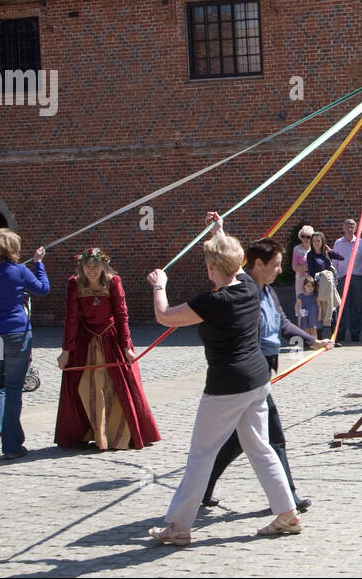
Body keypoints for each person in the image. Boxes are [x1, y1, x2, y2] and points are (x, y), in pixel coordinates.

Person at [146, 217, 302, 544]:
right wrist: (219, 232)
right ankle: (287, 514)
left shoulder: (212, 302)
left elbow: (164, 316)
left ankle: (178, 527)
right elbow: (234, 262)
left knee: (201, 456)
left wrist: (159, 284)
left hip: (226, 387)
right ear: (236, 262)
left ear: (210, 268)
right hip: (257, 380)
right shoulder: (247, 286)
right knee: (260, 448)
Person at [202, 231, 331, 511]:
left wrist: (312, 340)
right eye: (276, 264)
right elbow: (225, 259)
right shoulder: (243, 289)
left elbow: (282, 323)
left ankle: (202, 488)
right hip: (249, 371)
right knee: (274, 436)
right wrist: (218, 233)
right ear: (257, 264)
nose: (280, 270)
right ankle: (288, 498)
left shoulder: (268, 291)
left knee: (238, 439)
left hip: (261, 371)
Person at [54, 247, 161, 450]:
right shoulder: (74, 283)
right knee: (86, 387)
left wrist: (126, 347)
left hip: (111, 339)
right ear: (81, 266)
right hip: (85, 341)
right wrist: (66, 351)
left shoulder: (113, 281)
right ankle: (95, 433)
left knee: (115, 387)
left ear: (104, 266)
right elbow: (71, 318)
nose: (92, 270)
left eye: (96, 266)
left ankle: (119, 435)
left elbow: (122, 315)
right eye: (87, 266)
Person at [0, 228, 50, 460]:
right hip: (16, 332)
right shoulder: (19, 271)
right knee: (14, 387)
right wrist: (38, 263)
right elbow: (43, 289)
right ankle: (12, 445)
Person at [332, 219, 362, 342]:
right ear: (343, 227)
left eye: (352, 227)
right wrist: (336, 277)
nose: (350, 229)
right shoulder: (338, 243)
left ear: (356, 228)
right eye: (347, 226)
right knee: (341, 307)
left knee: (357, 307)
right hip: (343, 278)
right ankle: (340, 333)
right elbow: (334, 261)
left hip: (358, 277)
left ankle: (355, 333)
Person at [307, 231, 343, 340]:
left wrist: (330, 251)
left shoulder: (326, 254)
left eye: (318, 241)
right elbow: (311, 271)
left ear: (322, 242)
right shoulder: (310, 255)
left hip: (331, 285)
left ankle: (334, 338)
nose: (316, 243)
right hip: (319, 286)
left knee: (333, 311)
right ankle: (321, 338)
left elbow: (340, 257)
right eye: (314, 241)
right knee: (320, 312)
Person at [291, 224, 315, 316]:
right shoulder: (297, 249)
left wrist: (303, 266)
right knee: (300, 300)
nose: (305, 239)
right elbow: (294, 267)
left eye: (308, 237)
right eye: (303, 236)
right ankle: (301, 324)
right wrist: (306, 267)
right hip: (300, 279)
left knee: (312, 300)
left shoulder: (314, 249)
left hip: (312, 280)